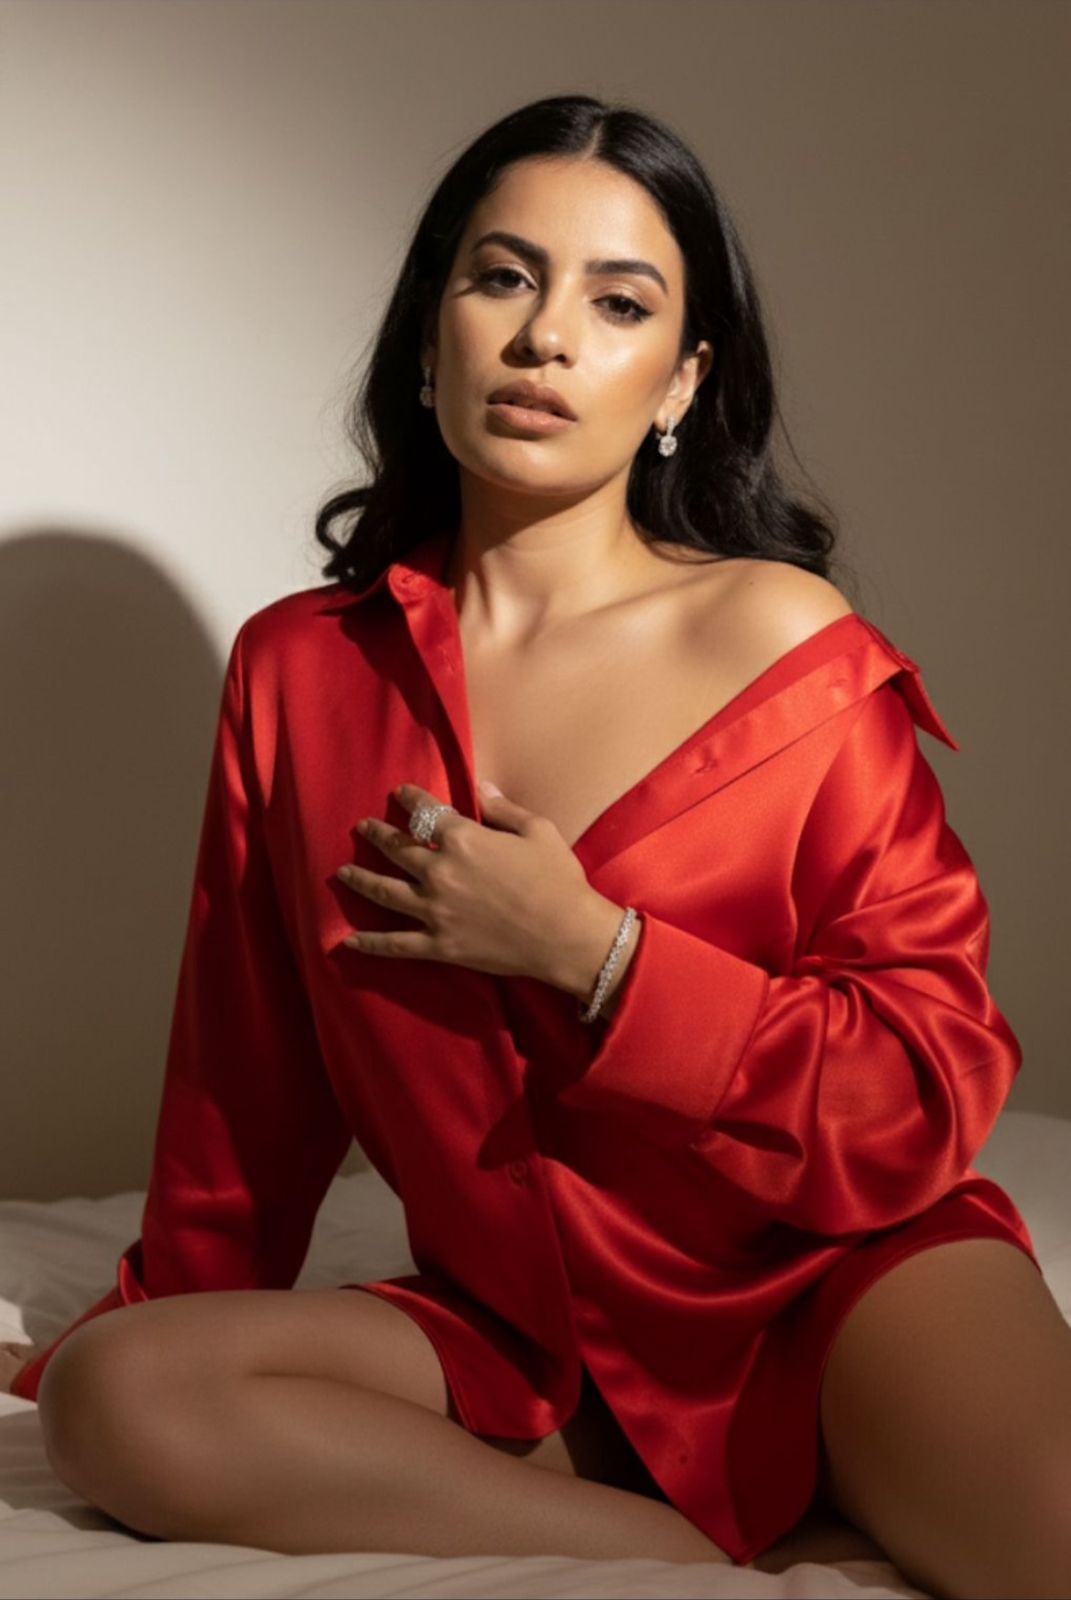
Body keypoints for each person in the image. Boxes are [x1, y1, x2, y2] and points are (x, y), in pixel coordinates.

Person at [6, 93, 1071, 1595]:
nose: (546, 337)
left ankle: (835, 1493)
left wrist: (601, 958)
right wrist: (158, 1313)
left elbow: (925, 1087)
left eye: (618, 302)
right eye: (502, 277)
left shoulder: (783, 641)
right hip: (518, 1341)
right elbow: (247, 1082)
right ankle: (700, 1566)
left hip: (833, 1286)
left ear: (683, 379)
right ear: (429, 329)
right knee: (118, 1399)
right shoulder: (301, 670)